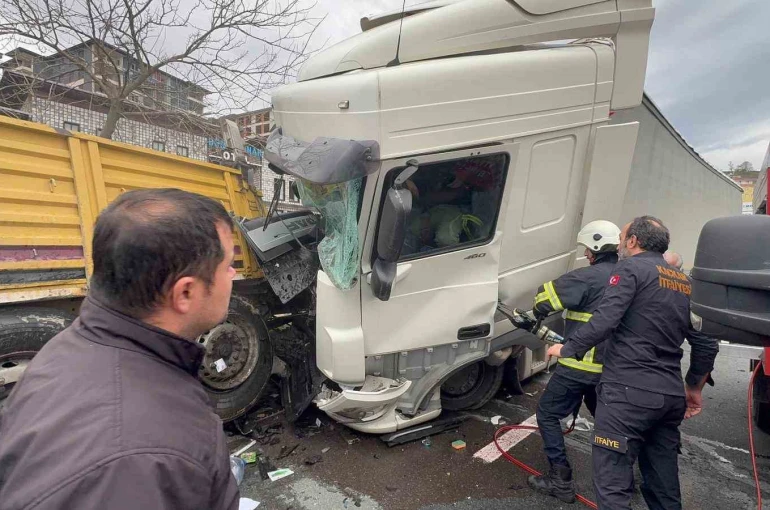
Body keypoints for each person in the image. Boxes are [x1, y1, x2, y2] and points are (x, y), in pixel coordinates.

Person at [0, 189, 240, 510]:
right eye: (228, 265)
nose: (234, 274)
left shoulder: (72, 347)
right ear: (185, 293)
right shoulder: (146, 457)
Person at [547, 216, 718, 510]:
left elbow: (605, 320)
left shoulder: (629, 268)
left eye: (623, 237)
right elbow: (705, 341)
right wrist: (693, 387)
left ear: (633, 241)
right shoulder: (682, 280)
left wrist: (567, 348)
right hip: (669, 397)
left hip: (628, 395)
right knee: (663, 486)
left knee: (613, 486)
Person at [527, 220, 621, 504]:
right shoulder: (627, 276)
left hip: (579, 365)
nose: (586, 254)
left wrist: (537, 310)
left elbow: (545, 299)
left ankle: (561, 480)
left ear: (593, 248)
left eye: (586, 249)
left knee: (547, 414)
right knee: (607, 422)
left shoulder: (587, 277)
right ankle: (622, 479)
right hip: (611, 368)